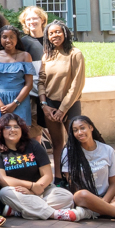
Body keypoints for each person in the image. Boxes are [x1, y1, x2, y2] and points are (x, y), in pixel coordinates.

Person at [0, 112, 77, 221]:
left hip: (41, 189)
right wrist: (30, 186)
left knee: (66, 196)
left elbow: (47, 174)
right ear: (1, 130)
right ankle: (55, 214)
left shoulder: (33, 145)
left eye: (16, 127)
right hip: (15, 191)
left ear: (22, 130)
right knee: (5, 193)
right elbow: (2, 179)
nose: (13, 130)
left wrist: (35, 189)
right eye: (8, 127)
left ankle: (18, 211)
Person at [39, 21, 86, 181]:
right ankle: (59, 178)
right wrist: (44, 105)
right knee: (57, 143)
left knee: (75, 141)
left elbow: (77, 84)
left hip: (70, 105)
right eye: (51, 33)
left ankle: (76, 177)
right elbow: (41, 81)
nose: (55, 35)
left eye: (58, 32)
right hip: (50, 105)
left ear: (65, 33)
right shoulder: (47, 56)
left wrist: (63, 109)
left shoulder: (75, 54)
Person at [0, 26, 35, 125]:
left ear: (17, 38)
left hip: (19, 100)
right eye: (4, 37)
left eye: (12, 37)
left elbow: (29, 84)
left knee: (20, 131)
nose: (8, 40)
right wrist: (0, 104)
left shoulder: (25, 56)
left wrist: (15, 103)